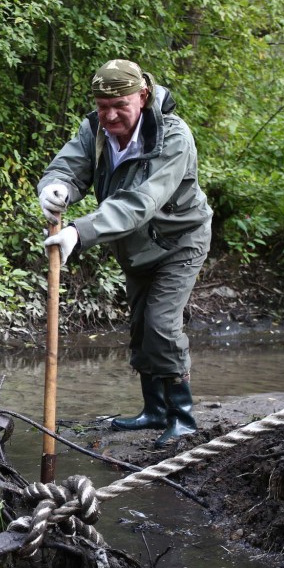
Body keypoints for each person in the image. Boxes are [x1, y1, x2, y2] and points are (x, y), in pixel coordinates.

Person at [38, 59, 212, 448]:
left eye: (120, 105)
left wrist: (78, 232)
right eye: (102, 106)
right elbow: (69, 167)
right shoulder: (94, 130)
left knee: (162, 326)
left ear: (143, 97)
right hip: (135, 247)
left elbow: (141, 202)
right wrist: (56, 187)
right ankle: (153, 409)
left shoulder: (174, 137)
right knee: (139, 327)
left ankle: (182, 417)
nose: (110, 115)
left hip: (180, 241)